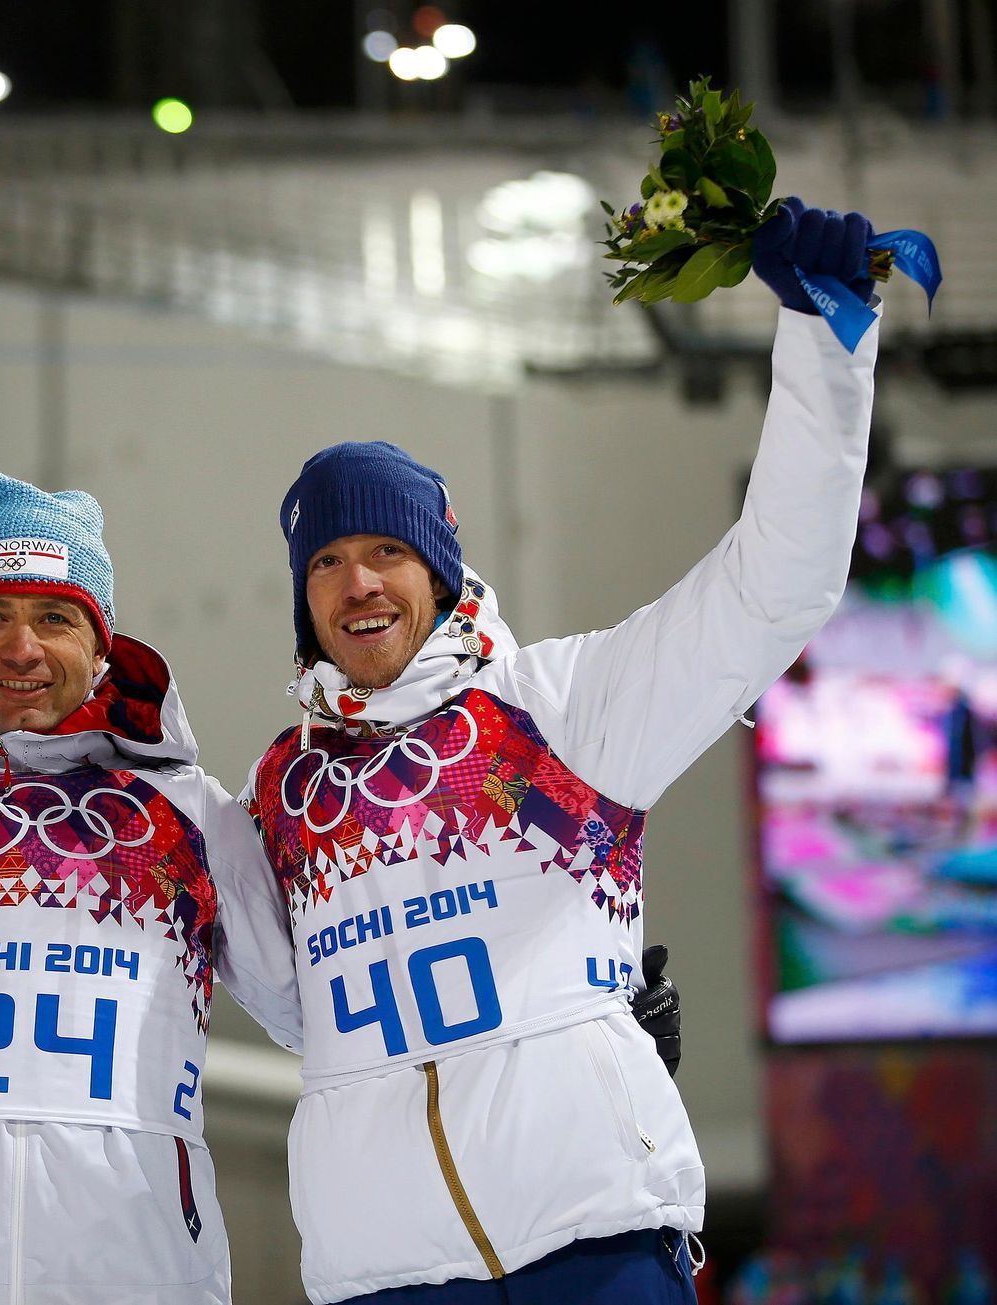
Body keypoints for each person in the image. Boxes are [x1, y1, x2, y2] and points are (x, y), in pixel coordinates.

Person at [242, 199, 883, 1303]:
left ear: (438, 570)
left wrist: (824, 343)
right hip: (386, 1275)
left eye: (389, 549)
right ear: (305, 601)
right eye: (329, 561)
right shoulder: (283, 791)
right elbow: (289, 999)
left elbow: (772, 591)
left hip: (595, 1247)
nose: (360, 583)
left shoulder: (563, 707)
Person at [0, 472, 305, 1305]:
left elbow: (305, 1009)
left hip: (145, 1281)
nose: (23, 648)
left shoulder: (190, 815)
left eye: (55, 618)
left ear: (102, 644)